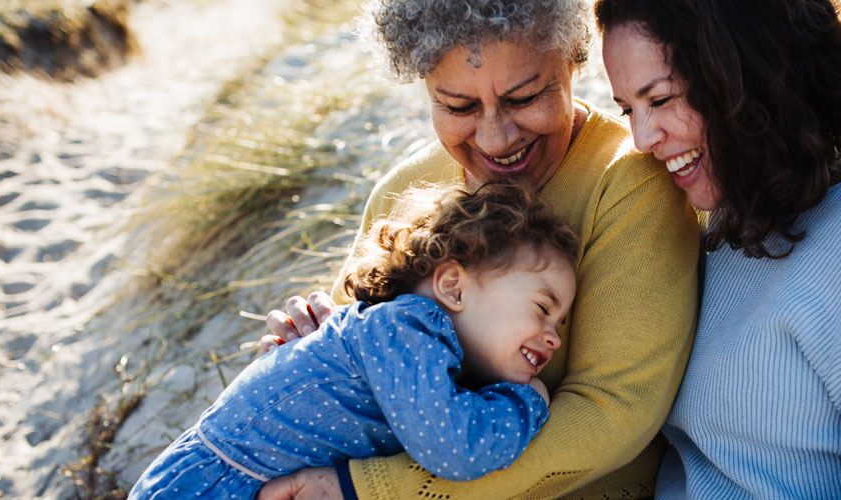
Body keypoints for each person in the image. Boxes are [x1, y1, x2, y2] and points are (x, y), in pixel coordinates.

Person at [256, 0, 702, 498]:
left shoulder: (629, 185)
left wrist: (373, 489)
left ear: (573, 54)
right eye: (458, 106)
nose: (495, 138)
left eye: (524, 96)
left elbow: (612, 410)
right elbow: (354, 383)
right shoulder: (404, 191)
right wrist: (310, 351)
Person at [594, 0, 841, 498]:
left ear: (748, 73)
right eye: (628, 108)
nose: (643, 138)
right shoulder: (707, 209)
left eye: (662, 98)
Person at [129, 184, 578, 500]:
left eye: (560, 321)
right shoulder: (408, 327)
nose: (554, 336)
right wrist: (528, 401)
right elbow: (456, 449)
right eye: (542, 308)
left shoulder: (399, 340)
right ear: (453, 287)